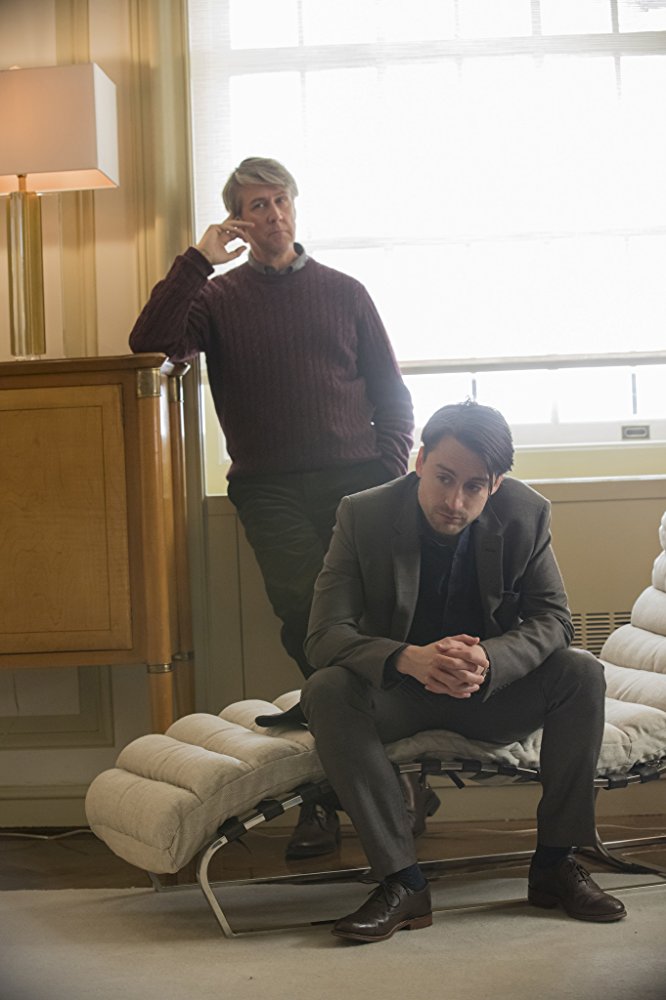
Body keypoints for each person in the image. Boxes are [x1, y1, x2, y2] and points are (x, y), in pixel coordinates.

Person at [128, 156, 437, 858]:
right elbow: (149, 343)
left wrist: (387, 474)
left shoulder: (345, 292)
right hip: (268, 487)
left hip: (356, 481)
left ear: (295, 206)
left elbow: (393, 396)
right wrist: (198, 261)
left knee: (362, 619)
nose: (271, 215)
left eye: (279, 201)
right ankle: (356, 781)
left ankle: (345, 784)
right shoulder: (216, 297)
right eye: (255, 206)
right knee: (306, 617)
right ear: (237, 220)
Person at [299, 400, 626, 943]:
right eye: (444, 478)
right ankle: (402, 882)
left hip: (490, 695)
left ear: (496, 485)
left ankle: (555, 863)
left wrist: (490, 658)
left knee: (581, 672)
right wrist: (409, 658)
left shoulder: (526, 513)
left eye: (474, 486)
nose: (454, 501)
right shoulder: (363, 514)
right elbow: (323, 635)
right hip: (400, 695)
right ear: (420, 461)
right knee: (327, 687)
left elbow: (554, 620)